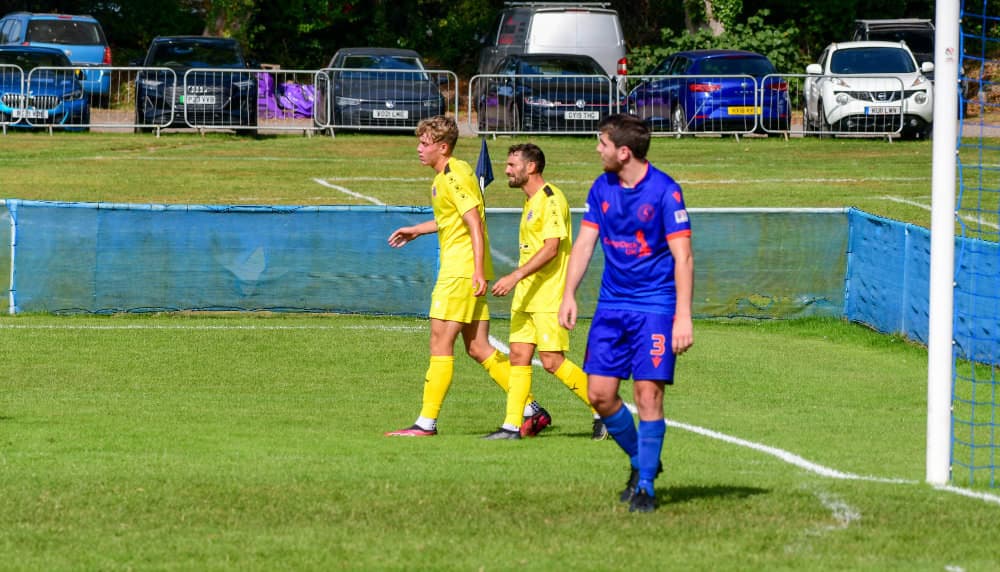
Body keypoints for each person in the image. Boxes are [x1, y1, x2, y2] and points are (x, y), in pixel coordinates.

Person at [558, 114, 694, 513]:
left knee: (647, 394)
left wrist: (683, 316)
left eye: (602, 143)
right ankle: (641, 459)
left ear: (623, 152)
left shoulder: (666, 191)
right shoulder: (601, 187)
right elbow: (584, 245)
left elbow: (683, 257)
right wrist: (568, 294)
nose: (596, 149)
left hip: (655, 307)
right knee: (599, 395)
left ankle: (646, 486)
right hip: (612, 306)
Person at [385, 115, 551, 437]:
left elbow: (474, 221)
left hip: (460, 272)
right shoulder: (447, 175)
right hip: (465, 270)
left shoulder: (454, 175)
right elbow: (454, 220)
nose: (419, 148)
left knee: (440, 342)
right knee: (478, 348)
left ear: (443, 147)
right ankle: (530, 408)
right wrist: (417, 230)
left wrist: (476, 270)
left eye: (425, 143)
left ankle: (426, 423)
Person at [486, 143, 608, 441]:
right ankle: (511, 427)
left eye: (512, 164)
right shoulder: (530, 201)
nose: (506, 170)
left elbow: (552, 248)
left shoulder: (552, 199)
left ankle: (604, 410)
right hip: (527, 294)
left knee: (552, 360)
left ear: (531, 167)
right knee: (518, 356)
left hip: (549, 294)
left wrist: (515, 275)